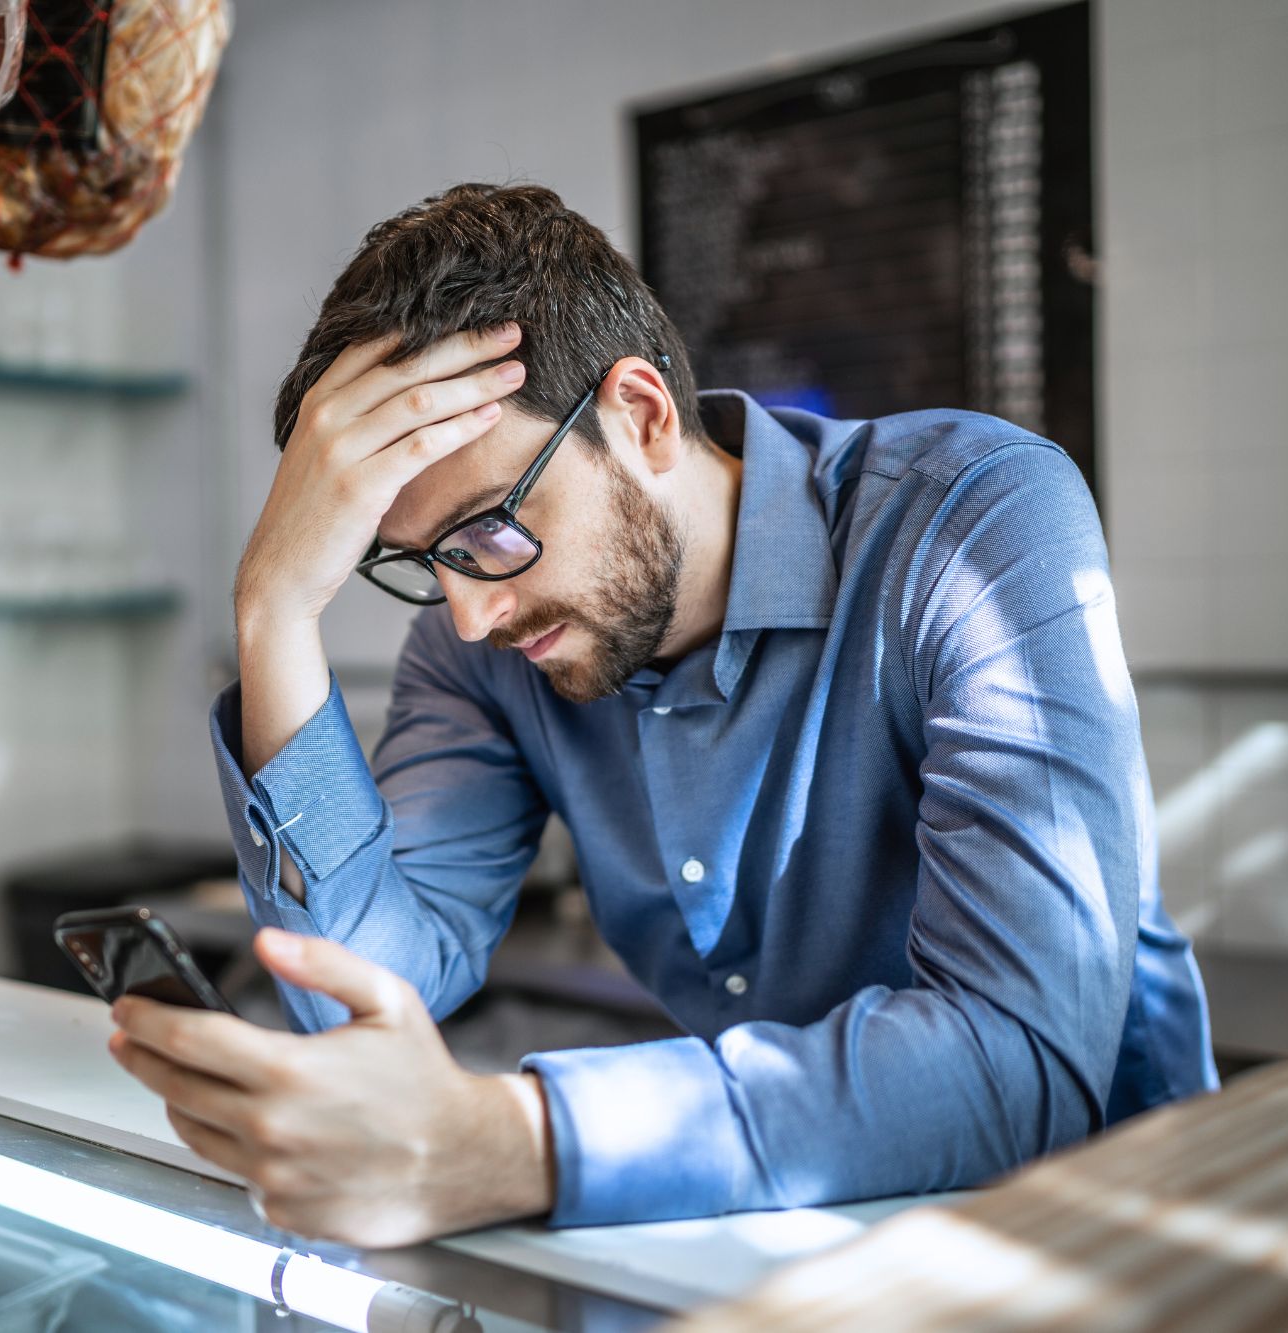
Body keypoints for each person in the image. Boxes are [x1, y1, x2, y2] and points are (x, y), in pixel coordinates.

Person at [106, 182, 1217, 1247]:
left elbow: (1018, 1062)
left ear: (637, 417)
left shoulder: (972, 518)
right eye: (416, 563)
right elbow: (357, 993)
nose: (471, 612)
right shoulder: (475, 645)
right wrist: (274, 609)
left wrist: (510, 1142)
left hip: (1114, 1242)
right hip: (791, 1247)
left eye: (490, 529)